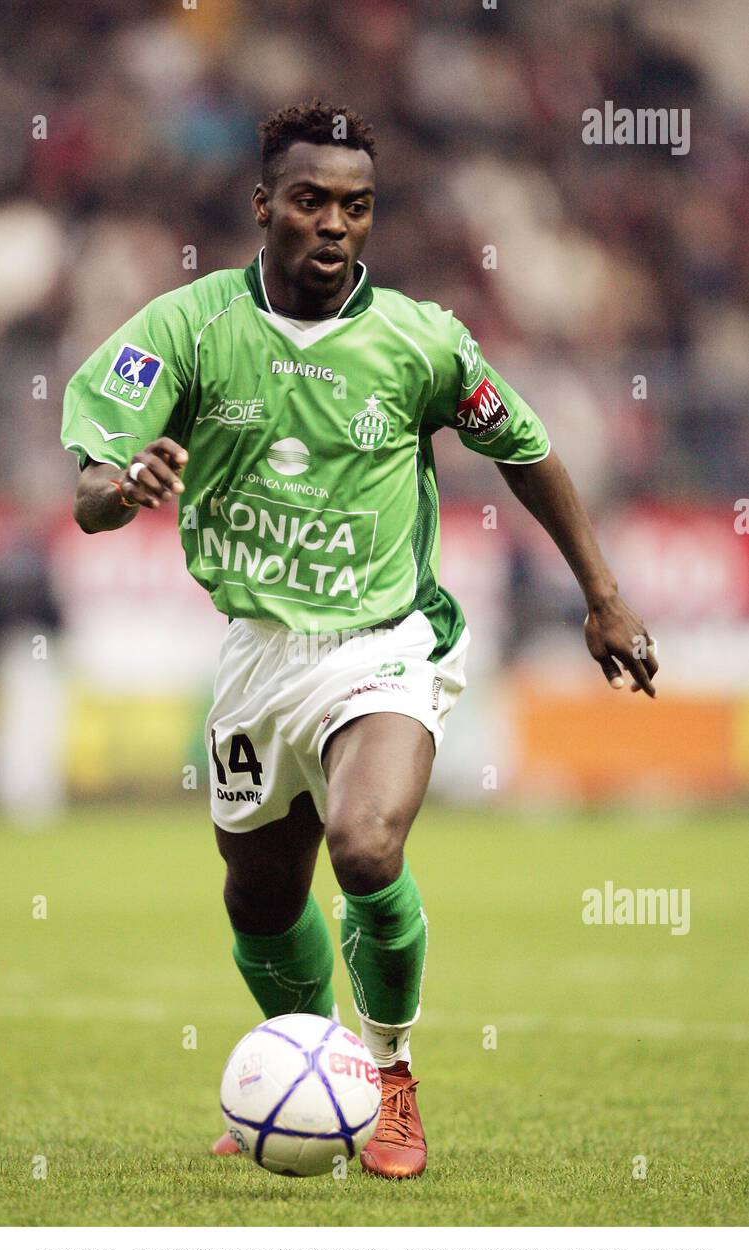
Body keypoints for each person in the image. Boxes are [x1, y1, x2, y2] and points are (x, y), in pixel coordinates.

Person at [62, 100, 657, 1179]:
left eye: (356, 206)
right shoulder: (186, 327)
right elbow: (92, 488)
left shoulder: (422, 341)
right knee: (259, 897)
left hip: (387, 638)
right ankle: (308, 1067)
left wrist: (603, 594)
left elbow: (525, 449)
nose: (334, 225)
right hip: (254, 652)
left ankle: (390, 1079)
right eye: (309, 201)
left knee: (366, 843)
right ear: (262, 207)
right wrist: (124, 485)